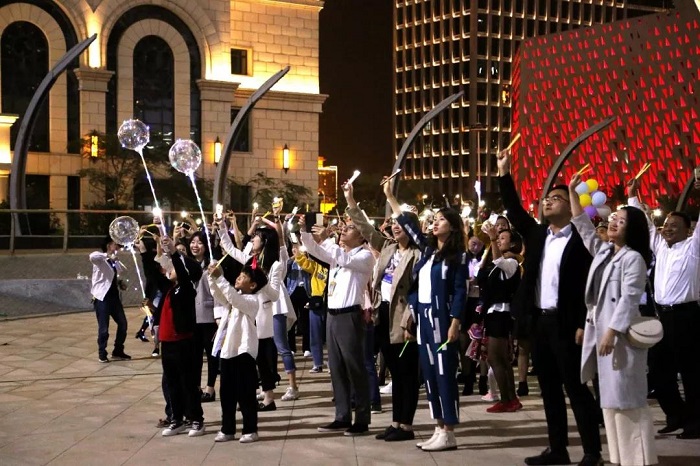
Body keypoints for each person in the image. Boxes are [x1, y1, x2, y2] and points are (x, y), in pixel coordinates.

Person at [497, 148, 602, 466]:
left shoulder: (581, 240)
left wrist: (583, 322)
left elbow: (588, 286)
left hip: (567, 323)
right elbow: (514, 210)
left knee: (577, 388)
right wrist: (504, 172)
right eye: (546, 199)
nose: (547, 202)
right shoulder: (539, 234)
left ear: (570, 206)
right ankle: (558, 449)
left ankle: (592, 452)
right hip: (540, 322)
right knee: (549, 389)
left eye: (556, 198)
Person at [569, 174, 658, 465]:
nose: (613, 223)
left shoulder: (634, 258)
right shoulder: (605, 252)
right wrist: (573, 193)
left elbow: (629, 299)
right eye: (613, 219)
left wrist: (611, 331)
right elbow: (583, 228)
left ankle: (640, 460)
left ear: (633, 229)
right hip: (603, 338)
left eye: (621, 221)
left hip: (621, 339)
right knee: (610, 403)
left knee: (628, 402)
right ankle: (620, 459)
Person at [347, 179, 423, 442]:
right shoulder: (389, 247)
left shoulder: (418, 253)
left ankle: (406, 426)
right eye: (393, 223)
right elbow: (366, 229)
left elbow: (417, 289)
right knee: (394, 371)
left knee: (406, 374)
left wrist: (411, 320)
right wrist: (351, 201)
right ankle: (395, 422)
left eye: (401, 223)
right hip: (385, 315)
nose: (395, 226)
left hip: (405, 318)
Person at [627, 178, 700, 439]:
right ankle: (676, 415)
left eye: (674, 226)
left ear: (688, 230)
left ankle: (695, 422)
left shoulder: (693, 248)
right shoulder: (661, 248)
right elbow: (646, 226)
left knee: (691, 373)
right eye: (666, 225)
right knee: (658, 372)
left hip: (687, 316)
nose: (667, 229)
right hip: (662, 316)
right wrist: (632, 196)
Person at [396, 202, 468, 452]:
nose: (435, 223)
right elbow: (410, 227)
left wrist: (455, 322)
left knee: (444, 374)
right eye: (434, 219)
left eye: (441, 220)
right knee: (429, 375)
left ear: (453, 227)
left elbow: (460, 292)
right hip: (424, 319)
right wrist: (391, 198)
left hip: (442, 319)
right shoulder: (428, 252)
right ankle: (438, 427)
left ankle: (449, 430)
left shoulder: (457, 257)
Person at [300, 211, 375, 437]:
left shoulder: (364, 256)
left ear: (362, 236)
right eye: (344, 227)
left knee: (355, 367)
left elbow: (344, 260)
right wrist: (305, 231)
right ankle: (342, 415)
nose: (343, 230)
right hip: (332, 314)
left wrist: (327, 239)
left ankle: (362, 418)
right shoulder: (339, 254)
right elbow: (315, 251)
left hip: (349, 315)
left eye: (350, 228)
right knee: (336, 368)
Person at [208, 264, 268, 444]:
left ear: (253, 285)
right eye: (239, 275)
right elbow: (219, 294)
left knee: (246, 393)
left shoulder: (252, 301)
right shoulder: (235, 298)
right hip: (228, 350)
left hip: (244, 351)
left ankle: (250, 429)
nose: (238, 278)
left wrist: (220, 278)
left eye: (243, 277)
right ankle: (227, 429)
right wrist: (212, 277)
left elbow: (233, 297)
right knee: (226, 393)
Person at [156, 234, 206, 438]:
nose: (171, 270)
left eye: (175, 268)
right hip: (167, 342)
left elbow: (184, 274)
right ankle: (177, 419)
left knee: (188, 383)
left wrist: (175, 253)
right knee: (172, 383)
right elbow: (154, 272)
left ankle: (196, 420)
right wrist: (145, 251)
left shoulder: (186, 288)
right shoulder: (171, 288)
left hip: (183, 341)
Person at [477, 225, 523, 413]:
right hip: (493, 313)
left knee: (495, 357)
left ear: (512, 244)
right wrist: (490, 245)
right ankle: (511, 398)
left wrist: (492, 239)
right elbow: (482, 272)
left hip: (501, 313)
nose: (499, 240)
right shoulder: (498, 264)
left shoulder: (511, 263)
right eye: (498, 237)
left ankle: (506, 399)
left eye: (503, 238)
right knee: (501, 359)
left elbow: (498, 260)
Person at [187, 231, 225, 403]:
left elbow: (218, 291)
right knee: (194, 356)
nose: (195, 246)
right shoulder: (186, 264)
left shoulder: (212, 264)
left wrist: (218, 316)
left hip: (209, 316)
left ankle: (210, 388)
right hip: (191, 316)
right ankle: (196, 387)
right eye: (192, 242)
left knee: (211, 355)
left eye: (199, 242)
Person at [89, 235, 130, 363]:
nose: (117, 247)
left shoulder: (115, 261)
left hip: (114, 298)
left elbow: (116, 275)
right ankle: (102, 353)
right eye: (114, 244)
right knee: (104, 328)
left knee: (123, 324)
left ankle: (118, 350)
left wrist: (120, 283)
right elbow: (92, 256)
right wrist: (107, 256)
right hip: (102, 298)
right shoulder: (100, 259)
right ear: (108, 245)